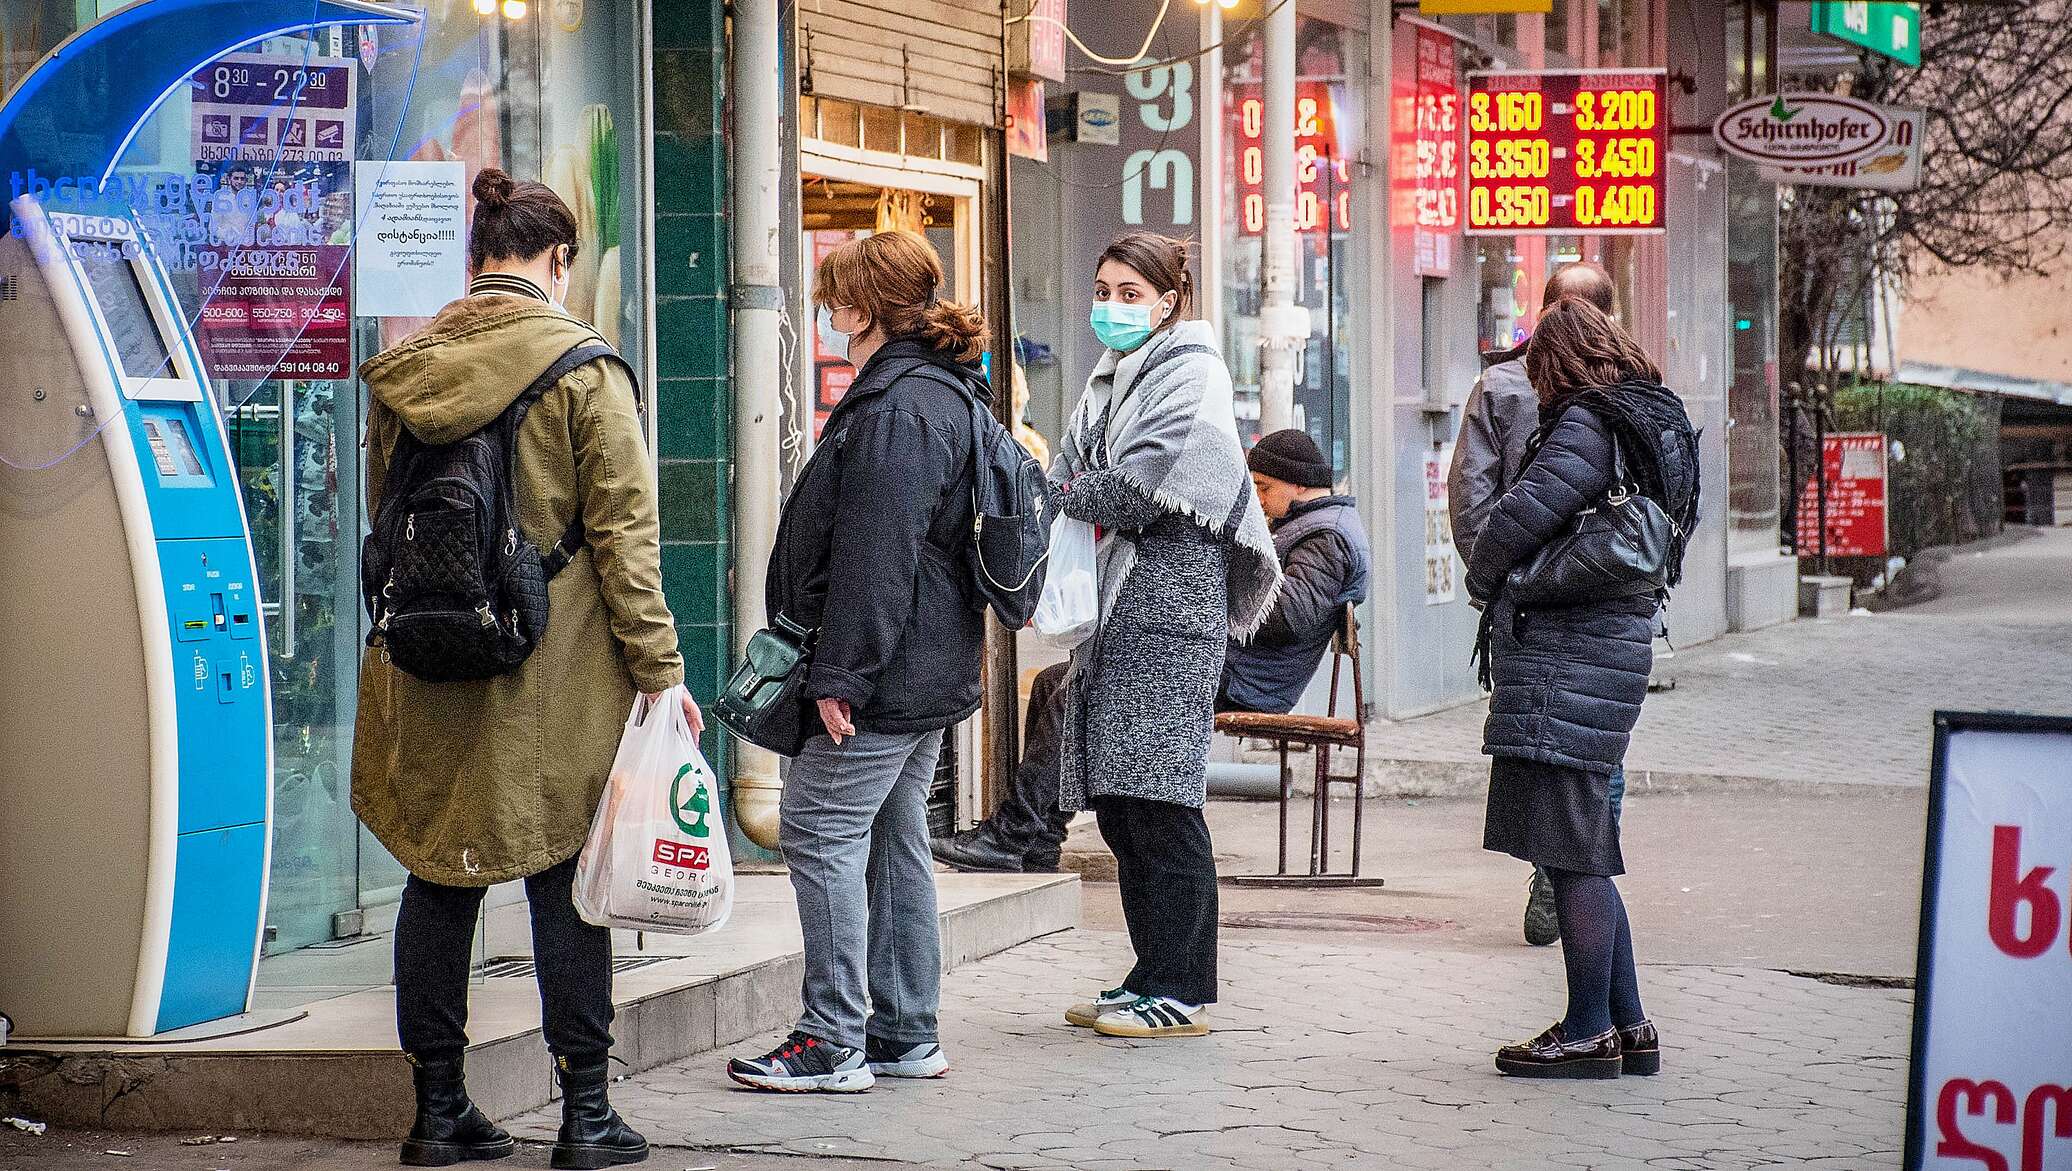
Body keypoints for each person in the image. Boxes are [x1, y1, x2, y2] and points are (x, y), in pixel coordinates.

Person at [354, 168, 681, 1169]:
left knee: (436, 876)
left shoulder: (408, 371)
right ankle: (585, 1114)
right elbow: (626, 536)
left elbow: (386, 519)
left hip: (428, 661)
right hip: (557, 673)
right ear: (557, 261)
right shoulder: (585, 370)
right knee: (564, 881)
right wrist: (660, 672)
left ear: (474, 261)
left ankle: (437, 1110)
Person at [726, 230, 990, 1093]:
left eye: (836, 295)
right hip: (924, 669)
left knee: (816, 828)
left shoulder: (896, 409)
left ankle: (833, 1037)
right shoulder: (937, 389)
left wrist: (843, 676)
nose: (827, 310)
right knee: (891, 833)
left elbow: (880, 555)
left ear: (865, 309)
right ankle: (907, 1031)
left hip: (886, 675)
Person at [928, 426, 1365, 876]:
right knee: (1049, 683)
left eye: (1265, 489)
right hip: (1231, 666)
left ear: (1298, 485)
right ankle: (1040, 840)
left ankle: (1011, 835)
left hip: (1242, 678)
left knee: (1079, 689)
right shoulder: (1313, 526)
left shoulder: (1326, 535)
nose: (1259, 499)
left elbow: (1288, 616)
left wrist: (1214, 585)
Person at [1051, 232, 1282, 1039]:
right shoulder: (1111, 379)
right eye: (1103, 289)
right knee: (1122, 804)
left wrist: (1071, 488)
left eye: (1128, 293)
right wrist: (1077, 487)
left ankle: (1183, 988)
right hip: (1121, 610)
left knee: (1163, 802)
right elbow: (1081, 474)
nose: (1110, 307)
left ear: (1168, 302)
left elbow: (1137, 487)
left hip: (1171, 612)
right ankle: (1151, 971)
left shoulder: (1192, 373)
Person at [1465, 296, 1699, 1080]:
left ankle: (1587, 1027)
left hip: (1573, 654)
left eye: (1537, 371)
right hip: (1609, 646)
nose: (1534, 386)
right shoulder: (1643, 417)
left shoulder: (1586, 423)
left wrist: (1485, 572)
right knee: (1586, 840)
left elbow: (1521, 514)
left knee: (1572, 852)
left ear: (1555, 363)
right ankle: (1630, 1025)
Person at [1448, 262, 1627, 949]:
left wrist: (1500, 577)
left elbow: (1472, 503)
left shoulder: (1510, 386)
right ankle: (1580, 868)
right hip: (1605, 609)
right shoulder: (1636, 392)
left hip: (1534, 604)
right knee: (1596, 752)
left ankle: (1570, 871)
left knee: (1550, 749)